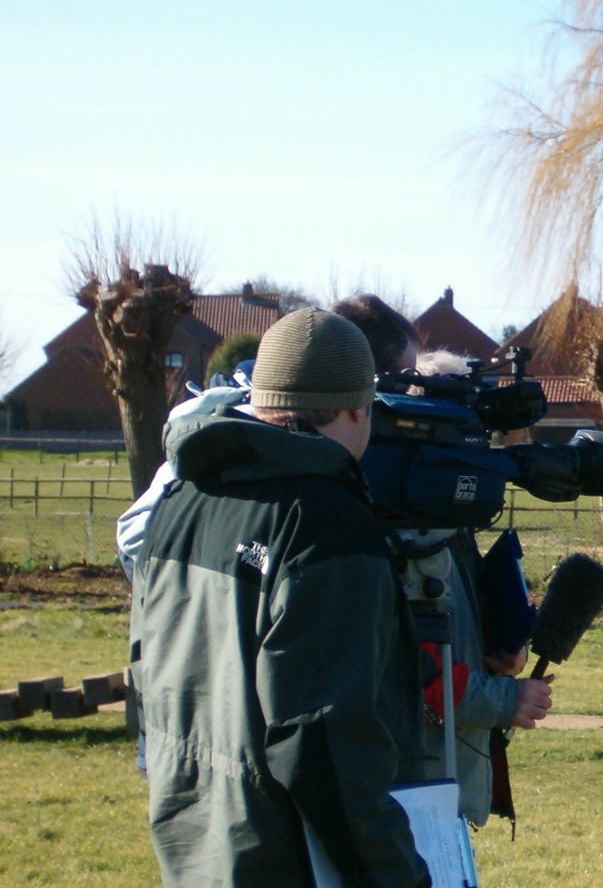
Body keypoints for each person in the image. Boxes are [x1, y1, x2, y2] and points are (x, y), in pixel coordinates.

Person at [131, 309, 430, 888]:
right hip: (285, 858)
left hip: (194, 846)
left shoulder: (181, 499)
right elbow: (324, 739)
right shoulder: (325, 525)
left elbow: (150, 677)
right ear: (356, 408)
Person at [330, 294, 552, 828]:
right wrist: (504, 699)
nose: (418, 394)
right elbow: (409, 669)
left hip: (427, 776)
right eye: (406, 379)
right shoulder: (380, 517)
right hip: (408, 792)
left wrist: (497, 646)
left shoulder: (422, 503)